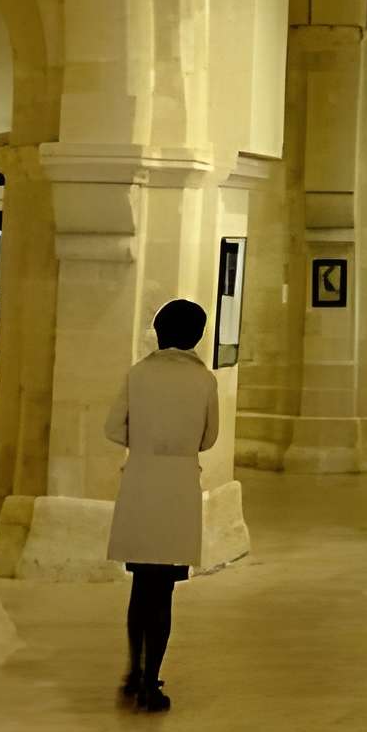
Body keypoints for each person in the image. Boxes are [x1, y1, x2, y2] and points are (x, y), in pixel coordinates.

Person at [105, 297, 220, 711]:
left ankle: (134, 671)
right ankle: (152, 681)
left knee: (140, 585)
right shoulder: (204, 381)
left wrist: (145, 443)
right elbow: (209, 439)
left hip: (141, 480)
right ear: (197, 337)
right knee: (164, 590)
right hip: (179, 486)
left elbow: (112, 428)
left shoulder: (139, 374)